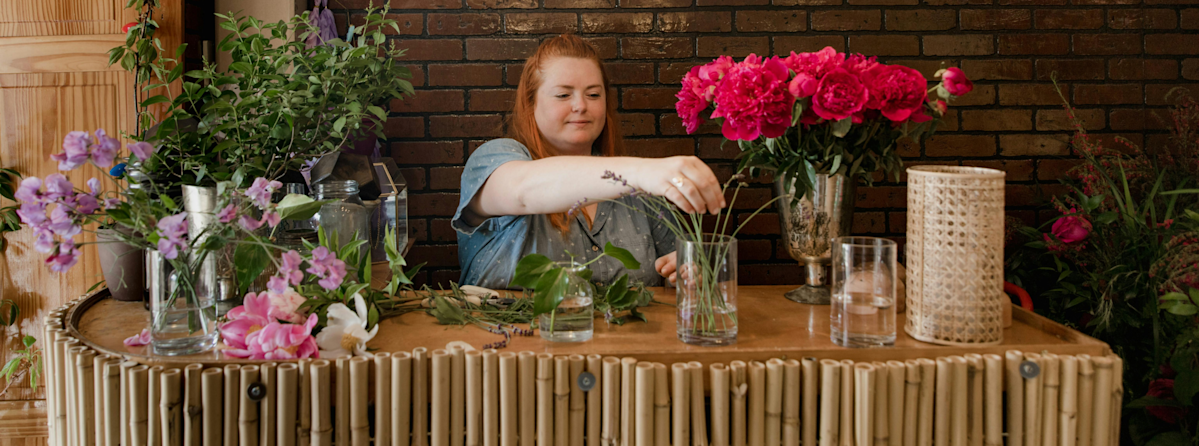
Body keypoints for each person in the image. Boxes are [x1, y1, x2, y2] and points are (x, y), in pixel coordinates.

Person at [453, 34, 726, 289]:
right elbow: (523, 190)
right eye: (563, 94)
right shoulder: (494, 158)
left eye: (593, 94)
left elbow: (683, 265)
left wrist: (689, 272)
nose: (581, 106)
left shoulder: (639, 190)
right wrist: (643, 171)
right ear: (530, 103)